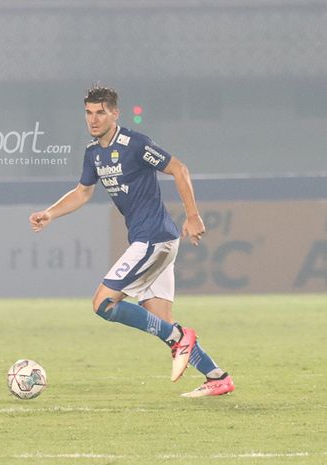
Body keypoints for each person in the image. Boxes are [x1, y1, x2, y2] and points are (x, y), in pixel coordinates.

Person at [29, 85, 235, 397]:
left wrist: (192, 216)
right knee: (162, 324)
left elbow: (179, 169)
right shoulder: (93, 153)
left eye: (100, 112)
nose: (93, 119)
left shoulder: (136, 144)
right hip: (153, 241)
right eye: (88, 113)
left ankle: (180, 336)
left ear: (115, 113)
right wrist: (50, 213)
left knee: (103, 303)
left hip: (153, 239)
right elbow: (83, 192)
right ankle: (217, 376)